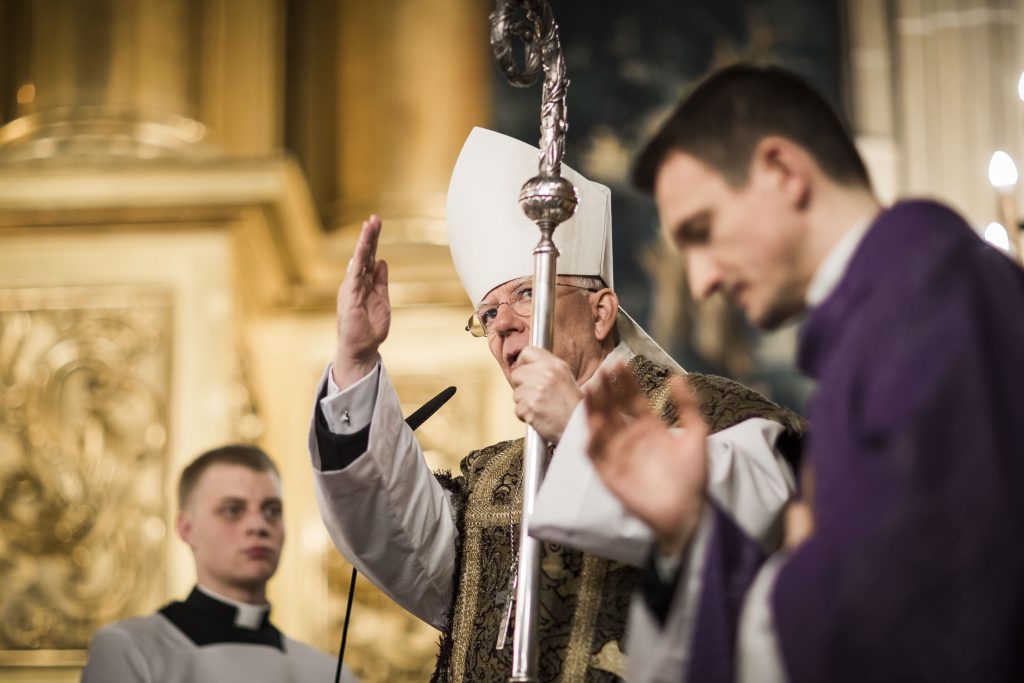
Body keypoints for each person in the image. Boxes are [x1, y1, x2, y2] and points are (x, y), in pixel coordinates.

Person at [308, 127, 804, 681]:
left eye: (526, 293)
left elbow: (755, 520)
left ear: (601, 312)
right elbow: (396, 539)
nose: (504, 325)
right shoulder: (492, 481)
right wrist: (355, 362)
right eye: (487, 314)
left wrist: (580, 426)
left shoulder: (711, 413)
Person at [584, 63, 1024, 683]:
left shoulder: (936, 302)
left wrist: (797, 568)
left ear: (783, 172)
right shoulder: (890, 314)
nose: (701, 282)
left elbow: (939, 623)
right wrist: (688, 530)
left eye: (702, 231)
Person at [81, 444, 356, 683]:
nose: (259, 525)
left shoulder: (329, 673)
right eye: (233, 510)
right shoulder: (129, 650)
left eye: (272, 511)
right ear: (186, 528)